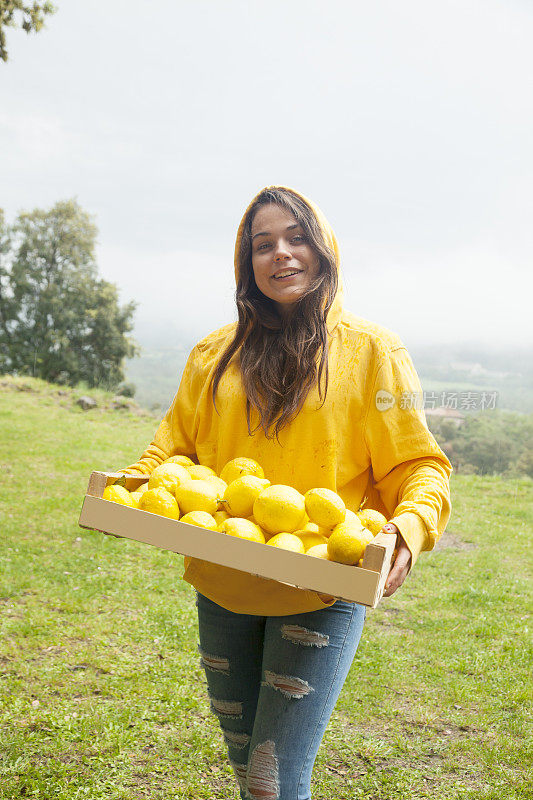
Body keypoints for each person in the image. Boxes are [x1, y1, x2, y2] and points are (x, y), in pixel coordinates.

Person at [120, 186, 452, 800]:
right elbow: (171, 451)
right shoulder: (213, 355)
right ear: (245, 263)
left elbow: (420, 463)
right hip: (223, 580)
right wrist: (128, 488)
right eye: (262, 244)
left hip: (322, 587)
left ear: (325, 249)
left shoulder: (375, 352)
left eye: (297, 237)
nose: (281, 255)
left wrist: (408, 528)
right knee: (247, 765)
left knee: (274, 781)